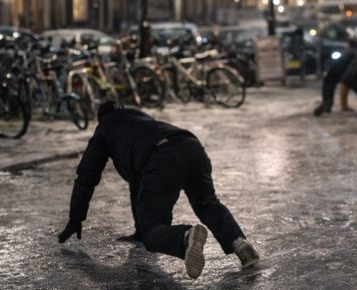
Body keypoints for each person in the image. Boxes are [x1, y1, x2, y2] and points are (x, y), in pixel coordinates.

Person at [57, 102, 259, 280]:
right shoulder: (139, 118)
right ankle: (239, 243)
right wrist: (138, 228)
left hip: (161, 159)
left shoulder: (105, 130)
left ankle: (185, 237)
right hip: (190, 145)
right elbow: (138, 184)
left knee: (152, 232)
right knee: (207, 203)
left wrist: (76, 218)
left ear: (101, 118)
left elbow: (86, 177)